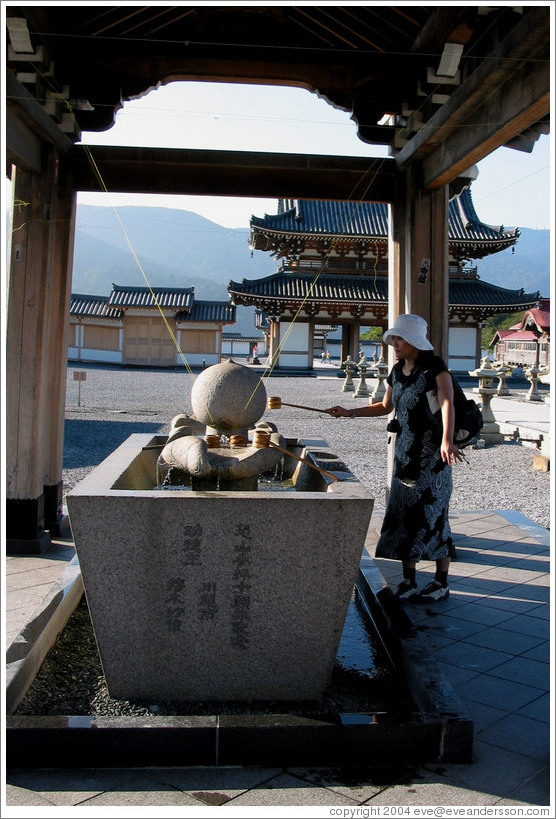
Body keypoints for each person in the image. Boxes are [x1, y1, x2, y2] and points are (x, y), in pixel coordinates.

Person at [326, 313, 464, 603]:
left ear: (414, 341)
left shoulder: (435, 369)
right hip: (405, 455)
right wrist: (349, 412)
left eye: (399, 339)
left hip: (433, 456)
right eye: (394, 339)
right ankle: (409, 580)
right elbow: (385, 406)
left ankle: (441, 582)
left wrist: (447, 440)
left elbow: (448, 401)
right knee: (404, 515)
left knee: (434, 516)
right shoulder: (397, 371)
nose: (394, 344)